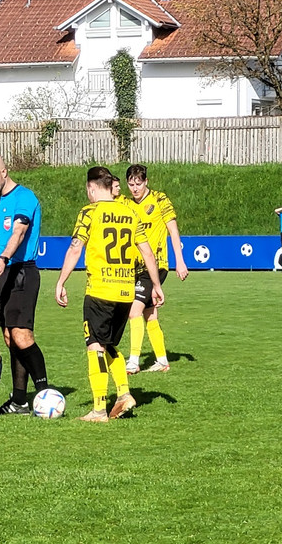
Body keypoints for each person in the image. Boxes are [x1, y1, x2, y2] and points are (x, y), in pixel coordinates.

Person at [55, 166, 165, 422]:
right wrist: (157, 286)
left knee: (95, 345)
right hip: (126, 292)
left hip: (100, 290)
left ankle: (98, 409)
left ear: (92, 188)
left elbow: (75, 248)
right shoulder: (129, 211)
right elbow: (147, 252)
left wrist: (61, 281)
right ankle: (124, 393)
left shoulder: (89, 212)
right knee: (109, 345)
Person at [0, 154, 49, 415]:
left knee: (22, 336)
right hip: (4, 272)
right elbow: (1, 241)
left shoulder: (24, 198)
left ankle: (45, 394)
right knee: (10, 338)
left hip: (22, 272)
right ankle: (19, 399)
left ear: (4, 172)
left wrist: (3, 259)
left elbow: (18, 234)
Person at [123, 164, 189, 374]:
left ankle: (133, 361)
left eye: (138, 184)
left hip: (156, 265)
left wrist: (180, 260)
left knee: (134, 311)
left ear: (146, 182)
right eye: (131, 184)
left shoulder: (160, 200)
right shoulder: (125, 204)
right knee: (150, 315)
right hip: (135, 267)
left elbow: (173, 230)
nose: (135, 188)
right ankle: (162, 360)